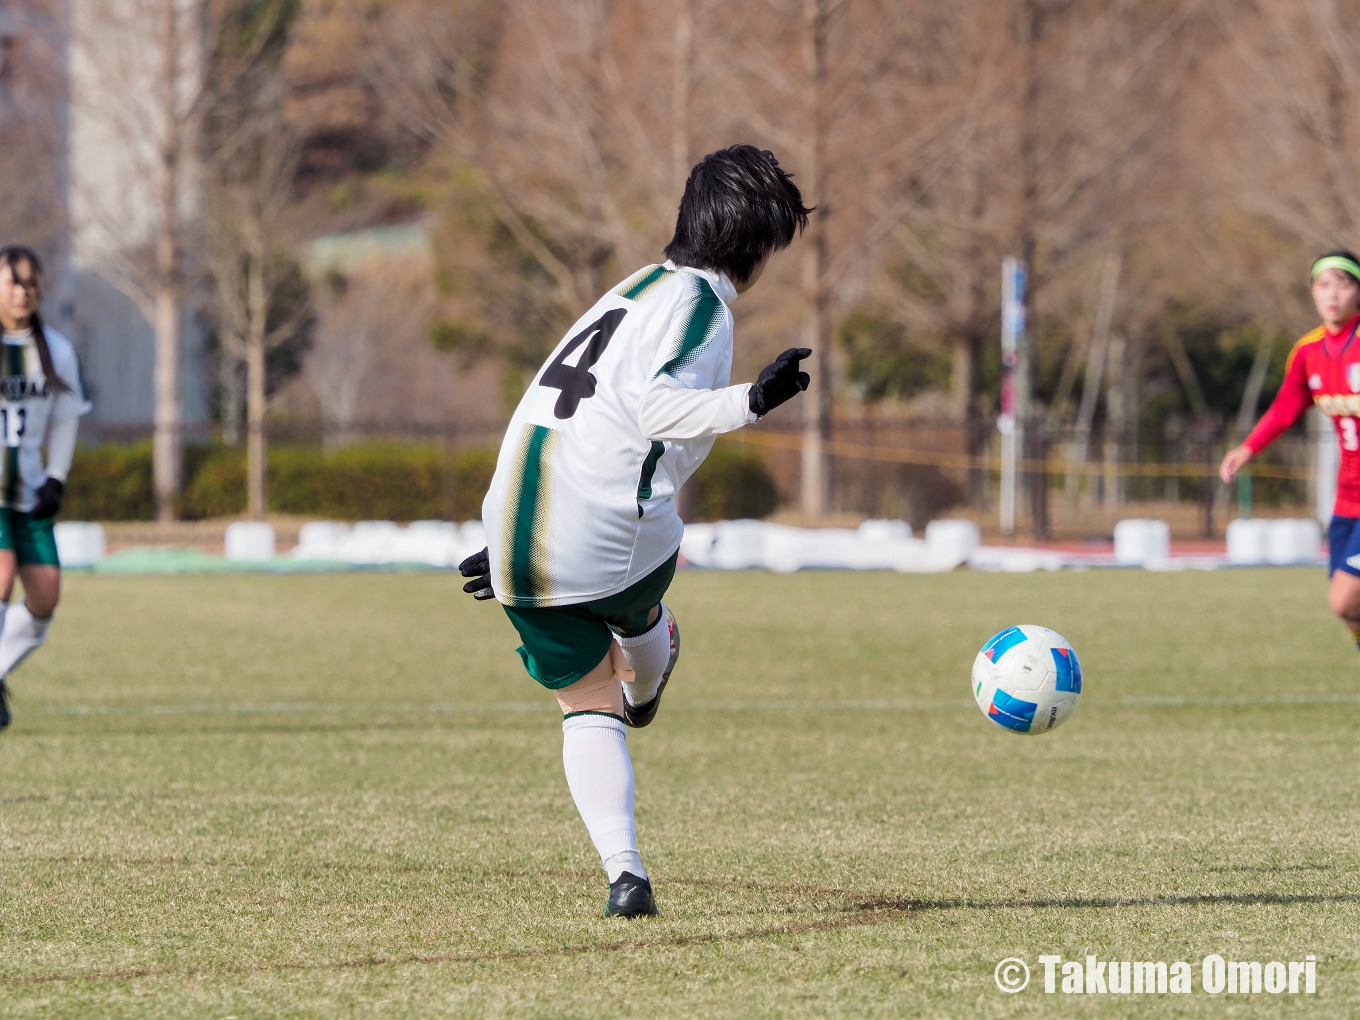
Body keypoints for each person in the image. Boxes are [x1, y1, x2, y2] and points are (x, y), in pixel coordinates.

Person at [458, 145, 813, 917]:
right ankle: (649, 658)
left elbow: (560, 412)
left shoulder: (625, 294)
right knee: (643, 585)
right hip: (608, 545)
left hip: (516, 531)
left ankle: (626, 876)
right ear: (757, 243)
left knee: (587, 704)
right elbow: (657, 411)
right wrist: (751, 400)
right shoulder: (703, 304)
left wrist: (516, 533)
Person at [1220, 249, 1360, 653]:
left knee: (1344, 598)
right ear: (1313, 292)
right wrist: (1247, 448)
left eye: (1343, 283)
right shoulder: (1308, 352)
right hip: (1346, 500)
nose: (1332, 294)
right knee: (1351, 610)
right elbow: (1285, 408)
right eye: (1323, 285)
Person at [0, 247, 92, 732]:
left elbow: (65, 421)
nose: (22, 292)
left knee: (45, 599)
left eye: (31, 283)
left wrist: (56, 477)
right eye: (12, 282)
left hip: (28, 493)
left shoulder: (55, 349)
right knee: (1, 573)